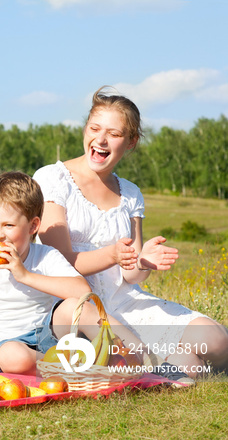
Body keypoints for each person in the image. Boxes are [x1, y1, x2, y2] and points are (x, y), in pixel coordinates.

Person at [33, 86, 228, 377]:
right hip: (75, 307)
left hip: (125, 300)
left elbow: (130, 274)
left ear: (132, 141)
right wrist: (112, 254)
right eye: (94, 128)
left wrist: (142, 262)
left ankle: (167, 371)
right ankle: (165, 369)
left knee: (218, 340)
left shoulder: (131, 193)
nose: (100, 140)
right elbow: (59, 263)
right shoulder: (53, 178)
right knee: (187, 363)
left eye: (113, 134)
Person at [0, 171, 91, 375]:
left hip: (47, 340)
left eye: (8, 225)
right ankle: (79, 367)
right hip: (3, 352)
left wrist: (25, 275)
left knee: (75, 306)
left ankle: (132, 354)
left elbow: (83, 291)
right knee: (14, 356)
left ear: (33, 226)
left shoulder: (46, 255)